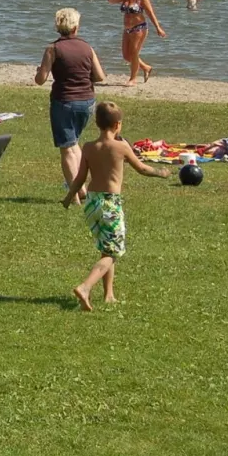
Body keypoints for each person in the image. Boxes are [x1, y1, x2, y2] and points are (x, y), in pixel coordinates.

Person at [62, 101, 169, 311]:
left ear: (97, 123)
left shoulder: (89, 147)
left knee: (106, 248)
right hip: (110, 203)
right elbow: (142, 169)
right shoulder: (121, 147)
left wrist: (69, 197)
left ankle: (109, 294)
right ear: (118, 125)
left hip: (92, 203)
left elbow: (80, 177)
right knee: (113, 252)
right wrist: (161, 173)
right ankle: (85, 287)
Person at [35, 8, 107, 190]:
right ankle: (81, 188)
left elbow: (40, 80)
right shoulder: (87, 47)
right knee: (74, 143)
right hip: (87, 102)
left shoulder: (53, 49)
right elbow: (99, 76)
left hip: (64, 102)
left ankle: (74, 195)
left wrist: (40, 70)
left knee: (67, 148)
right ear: (76, 27)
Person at [107, 0, 165, 84]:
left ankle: (132, 79)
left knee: (134, 53)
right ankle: (146, 67)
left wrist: (158, 27)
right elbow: (110, 0)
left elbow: (150, 13)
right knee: (126, 55)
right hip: (127, 29)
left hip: (139, 28)